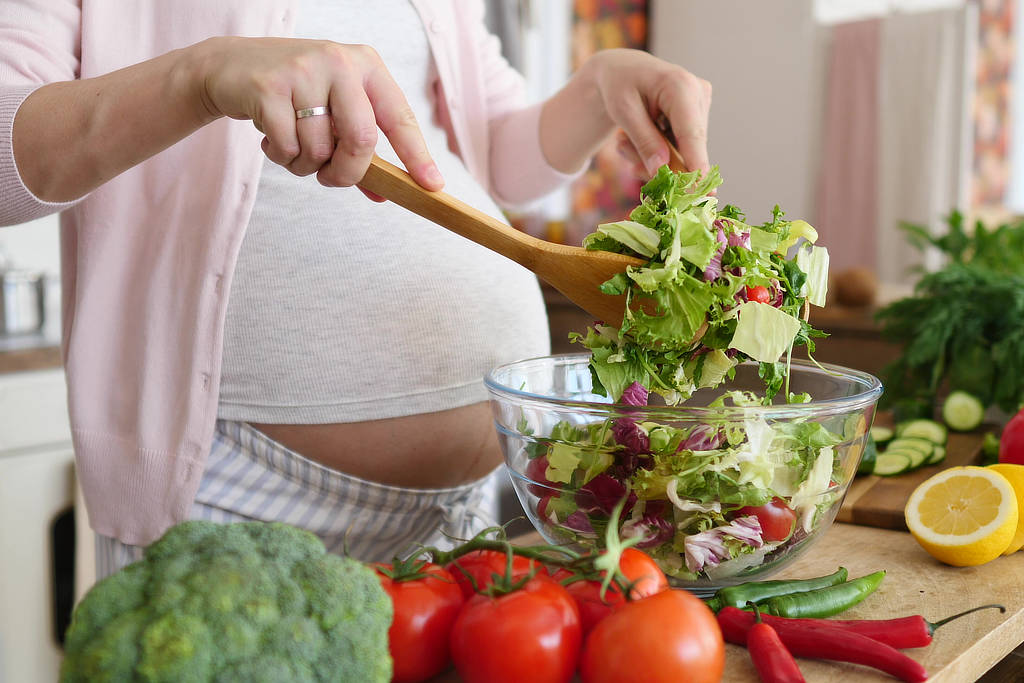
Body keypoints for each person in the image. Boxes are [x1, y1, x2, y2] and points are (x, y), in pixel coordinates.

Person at [0, 0, 711, 577]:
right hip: (232, 497)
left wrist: (597, 88)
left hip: (466, 514)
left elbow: (494, 156)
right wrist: (202, 74)